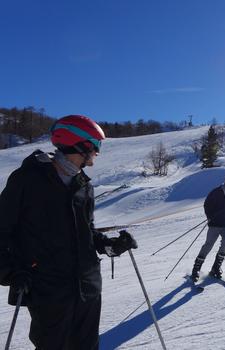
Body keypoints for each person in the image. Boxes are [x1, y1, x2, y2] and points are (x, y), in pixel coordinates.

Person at [0, 115, 137, 349]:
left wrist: (109, 245)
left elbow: (86, 230)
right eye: (96, 146)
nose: (97, 153)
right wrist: (9, 272)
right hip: (49, 288)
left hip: (88, 286)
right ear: (81, 144)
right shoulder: (28, 180)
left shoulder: (84, 185)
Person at [191, 169, 225, 282]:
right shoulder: (218, 191)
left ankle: (215, 268)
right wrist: (210, 217)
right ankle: (196, 269)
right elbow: (207, 204)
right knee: (208, 245)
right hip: (215, 224)